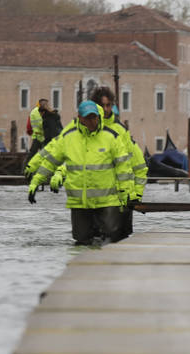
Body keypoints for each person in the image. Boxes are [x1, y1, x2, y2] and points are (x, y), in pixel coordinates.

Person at [26, 100, 134, 245]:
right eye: (87, 118)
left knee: (111, 240)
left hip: (107, 201)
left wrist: (127, 194)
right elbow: (51, 161)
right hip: (79, 203)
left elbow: (124, 168)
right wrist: (36, 181)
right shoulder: (68, 138)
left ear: (98, 117)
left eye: (94, 117)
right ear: (80, 118)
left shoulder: (111, 137)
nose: (91, 121)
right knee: (81, 241)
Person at [92, 87, 145, 238]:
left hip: (121, 196)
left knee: (120, 238)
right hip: (95, 198)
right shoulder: (86, 130)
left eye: (108, 105)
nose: (106, 109)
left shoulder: (120, 130)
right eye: (102, 105)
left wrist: (136, 195)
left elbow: (139, 165)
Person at [24, 98, 50, 173]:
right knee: (45, 155)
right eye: (46, 104)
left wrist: (31, 132)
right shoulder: (44, 112)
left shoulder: (33, 112)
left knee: (32, 155)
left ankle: (25, 170)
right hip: (44, 137)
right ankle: (43, 172)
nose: (47, 105)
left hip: (36, 137)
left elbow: (29, 127)